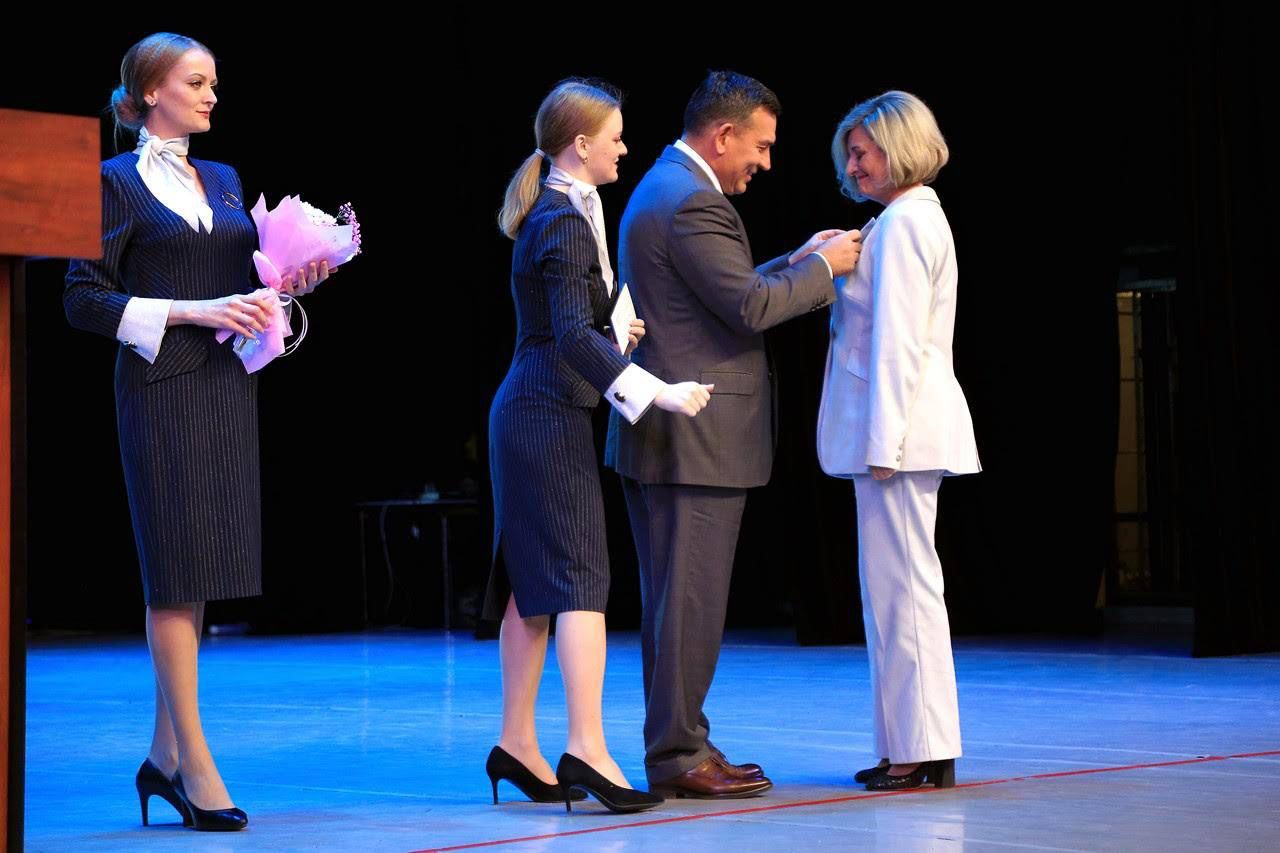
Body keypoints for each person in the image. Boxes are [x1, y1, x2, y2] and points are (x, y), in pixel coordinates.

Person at [63, 32, 330, 831]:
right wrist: (192, 310)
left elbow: (243, 286)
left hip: (225, 387)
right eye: (196, 81)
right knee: (175, 574)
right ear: (151, 92)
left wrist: (289, 281)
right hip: (160, 389)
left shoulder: (224, 178)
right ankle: (198, 764)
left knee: (200, 572)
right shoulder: (113, 182)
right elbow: (82, 296)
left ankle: (163, 757)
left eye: (214, 82)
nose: (212, 94)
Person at [605, 70, 861, 798]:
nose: (765, 162)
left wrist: (794, 261)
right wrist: (823, 269)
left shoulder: (670, 186)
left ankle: (682, 741)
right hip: (695, 439)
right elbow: (748, 308)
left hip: (674, 436)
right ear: (723, 136)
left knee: (676, 605)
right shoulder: (692, 200)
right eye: (761, 145)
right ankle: (679, 754)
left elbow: (720, 292)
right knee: (688, 604)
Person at [484, 79, 711, 814]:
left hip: (538, 409)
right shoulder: (560, 217)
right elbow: (568, 338)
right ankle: (585, 746)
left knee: (531, 580)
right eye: (614, 136)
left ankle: (517, 744)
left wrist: (615, 333)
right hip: (542, 413)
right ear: (581, 145)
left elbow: (572, 326)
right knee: (579, 577)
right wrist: (656, 390)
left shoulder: (571, 208)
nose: (624, 147)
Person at [816, 89, 981, 791]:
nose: (852, 166)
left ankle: (923, 749)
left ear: (899, 147)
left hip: (900, 438)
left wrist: (883, 443)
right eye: (849, 155)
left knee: (905, 593)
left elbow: (898, 343)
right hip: (897, 436)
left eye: (863, 152)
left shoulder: (908, 223)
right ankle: (906, 745)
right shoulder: (898, 221)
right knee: (891, 593)